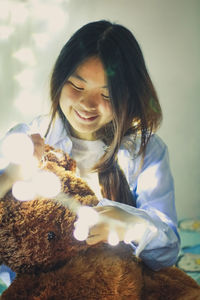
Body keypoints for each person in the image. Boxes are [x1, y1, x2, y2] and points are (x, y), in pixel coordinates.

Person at [0, 20, 180, 282]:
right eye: (77, 86)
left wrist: (131, 225)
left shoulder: (146, 151)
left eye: (107, 95)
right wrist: (11, 175)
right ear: (60, 80)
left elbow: (168, 252)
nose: (87, 104)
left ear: (128, 96)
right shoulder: (26, 139)